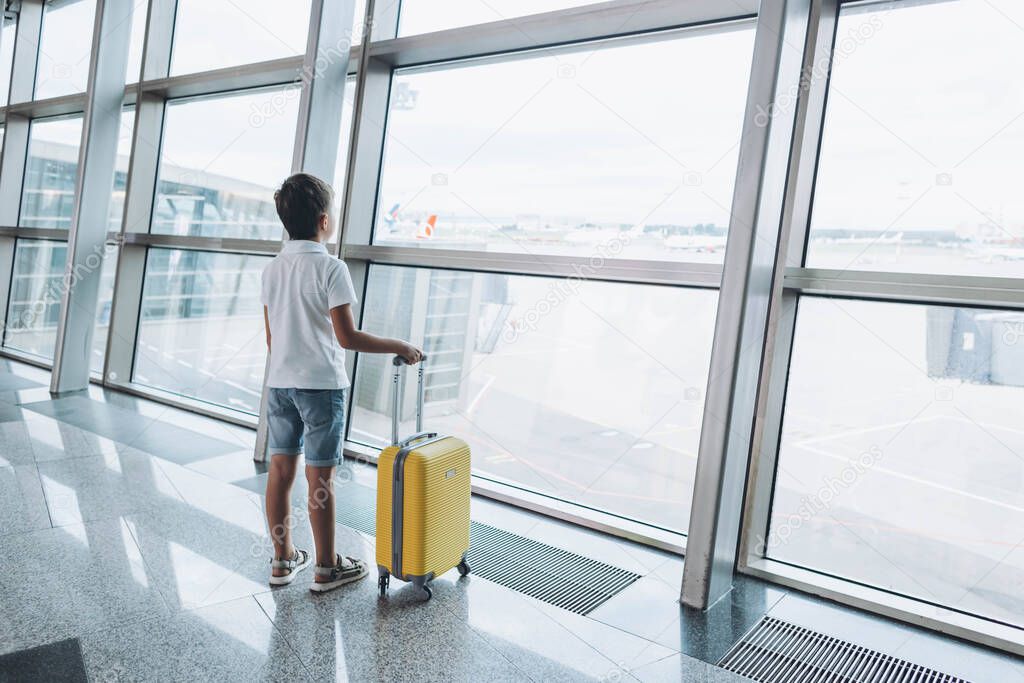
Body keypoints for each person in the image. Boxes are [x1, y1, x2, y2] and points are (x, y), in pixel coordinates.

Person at [261, 173, 422, 593]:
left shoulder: (273, 269)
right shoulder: (332, 268)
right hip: (321, 386)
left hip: (279, 383)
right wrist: (399, 344)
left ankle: (281, 561)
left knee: (279, 473)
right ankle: (327, 567)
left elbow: (271, 339)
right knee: (320, 481)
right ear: (323, 221)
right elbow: (347, 338)